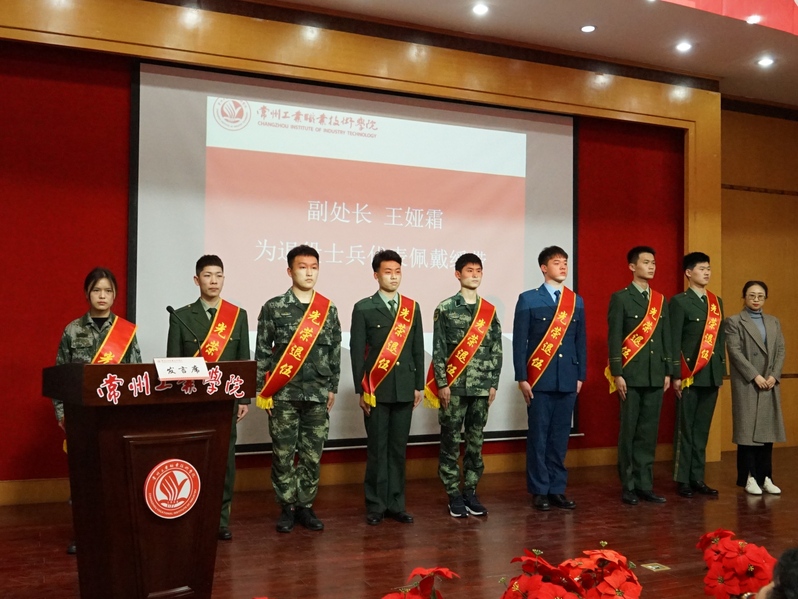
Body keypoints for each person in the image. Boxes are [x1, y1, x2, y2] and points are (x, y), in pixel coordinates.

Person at [54, 267, 142, 554]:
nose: (102, 296)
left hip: (116, 419)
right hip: (82, 419)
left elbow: (136, 377)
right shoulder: (72, 330)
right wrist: (62, 414)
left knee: (116, 480)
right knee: (85, 481)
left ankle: (116, 536)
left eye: (108, 291)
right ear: (87, 293)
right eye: (96, 290)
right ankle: (84, 535)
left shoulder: (126, 332)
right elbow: (60, 378)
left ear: (115, 295)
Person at [255, 245, 341, 533]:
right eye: (302, 267)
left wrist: (332, 387)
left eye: (314, 267)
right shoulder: (273, 307)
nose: (309, 272)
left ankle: (305, 505)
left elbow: (334, 351)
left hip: (317, 393)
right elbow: (263, 351)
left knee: (312, 454)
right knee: (283, 454)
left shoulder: (328, 309)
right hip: (283, 393)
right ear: (289, 271)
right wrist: (262, 391)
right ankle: (287, 507)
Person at [166, 255, 250, 541]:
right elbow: (173, 364)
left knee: (224, 461)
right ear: (196, 279)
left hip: (225, 403)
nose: (213, 281)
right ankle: (192, 516)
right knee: (193, 460)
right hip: (192, 403)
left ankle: (220, 519)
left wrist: (244, 400)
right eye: (207, 275)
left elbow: (242, 360)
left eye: (218, 275)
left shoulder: (237, 316)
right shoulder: (180, 316)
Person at [350, 249, 424, 525]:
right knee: (377, 449)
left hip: (404, 387)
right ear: (376, 275)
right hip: (376, 390)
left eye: (397, 272)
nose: (393, 277)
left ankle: (396, 503)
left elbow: (417, 349)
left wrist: (418, 385)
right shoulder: (363, 307)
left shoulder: (412, 307)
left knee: (397, 449)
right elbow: (357, 353)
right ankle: (376, 504)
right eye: (387, 272)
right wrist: (362, 391)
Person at [427, 253, 502, 518]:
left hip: (481, 387)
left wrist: (493, 383)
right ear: (458, 274)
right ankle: (453, 493)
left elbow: (496, 349)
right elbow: (439, 349)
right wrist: (442, 383)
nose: (474, 275)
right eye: (469, 270)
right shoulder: (446, 308)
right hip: (454, 387)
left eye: (478, 270)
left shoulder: (489, 311)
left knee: (475, 441)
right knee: (450, 440)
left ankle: (470, 490)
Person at [512, 246, 586, 511]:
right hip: (539, 379)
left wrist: (580, 375)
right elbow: (520, 343)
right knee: (539, 437)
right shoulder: (528, 299)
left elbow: (580, 341)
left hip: (567, 378)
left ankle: (557, 488)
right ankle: (539, 490)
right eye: (557, 262)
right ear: (544, 268)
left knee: (560, 437)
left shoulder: (575, 301)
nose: (563, 266)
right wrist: (522, 377)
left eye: (565, 262)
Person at [607, 246, 672, 505]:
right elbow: (614, 338)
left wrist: (667, 370)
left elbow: (665, 337)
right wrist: (617, 373)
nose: (651, 266)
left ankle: (646, 484)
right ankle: (629, 485)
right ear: (632, 267)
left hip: (655, 374)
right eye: (646, 262)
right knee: (629, 431)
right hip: (631, 375)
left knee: (648, 432)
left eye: (653, 262)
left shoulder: (660, 300)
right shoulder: (621, 298)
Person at [670, 251, 725, 497]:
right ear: (688, 273)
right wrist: (676, 374)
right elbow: (674, 340)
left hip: (710, 374)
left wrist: (720, 371)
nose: (707, 273)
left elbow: (720, 339)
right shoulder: (679, 302)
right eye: (702, 268)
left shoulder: (716, 302)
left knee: (702, 429)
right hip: (689, 374)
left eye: (708, 268)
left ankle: (697, 477)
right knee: (686, 429)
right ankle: (682, 479)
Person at [724, 281, 785, 496]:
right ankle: (749, 477)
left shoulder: (773, 321)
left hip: (769, 382)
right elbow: (735, 352)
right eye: (752, 295)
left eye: (760, 295)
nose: (756, 299)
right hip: (748, 382)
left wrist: (773, 376)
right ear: (744, 297)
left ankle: (765, 477)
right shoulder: (734, 321)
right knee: (747, 433)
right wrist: (755, 376)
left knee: (767, 432)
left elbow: (780, 350)